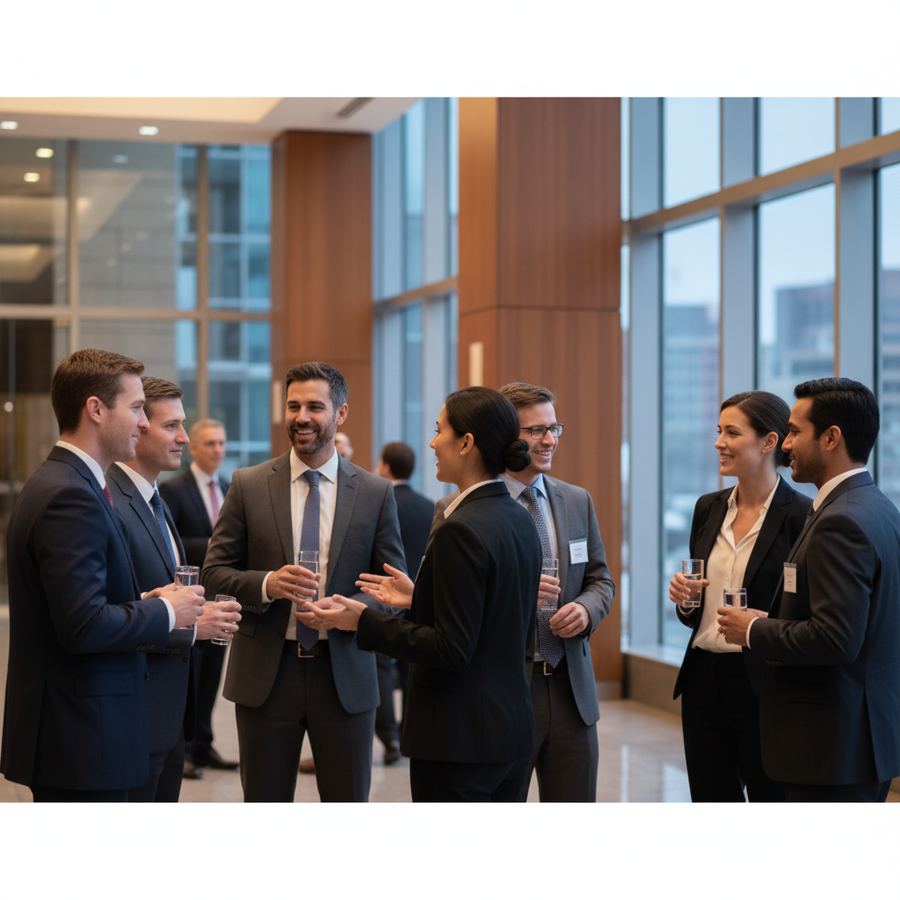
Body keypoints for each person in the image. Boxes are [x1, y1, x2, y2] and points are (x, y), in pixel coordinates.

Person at [300, 387, 541, 802]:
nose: (431, 443)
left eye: (439, 431)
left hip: (459, 739)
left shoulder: (460, 529)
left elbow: (451, 648)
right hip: (511, 730)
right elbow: (493, 616)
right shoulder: (519, 518)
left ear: (466, 443)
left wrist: (361, 620)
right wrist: (422, 597)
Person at [0, 349, 204, 802]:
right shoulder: (70, 495)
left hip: (80, 733)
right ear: (95, 409)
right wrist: (165, 611)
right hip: (81, 737)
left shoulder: (70, 482)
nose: (144, 423)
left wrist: (145, 602)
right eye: (135, 408)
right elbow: (84, 625)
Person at [202, 361, 405, 802]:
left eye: (315, 406)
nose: (302, 417)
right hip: (266, 679)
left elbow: (390, 590)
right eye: (293, 406)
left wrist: (353, 611)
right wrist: (269, 583)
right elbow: (214, 573)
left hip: (345, 675)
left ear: (341, 414)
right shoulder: (248, 484)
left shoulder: (374, 493)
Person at [718, 378, 900, 802]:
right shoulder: (876, 506)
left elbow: (836, 639)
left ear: (832, 437)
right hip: (857, 741)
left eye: (796, 432)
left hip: (830, 749)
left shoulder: (842, 521)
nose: (786, 446)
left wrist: (752, 630)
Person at [669, 391, 810, 802]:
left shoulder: (802, 515)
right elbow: (695, 609)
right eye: (718, 431)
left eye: (732, 432)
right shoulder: (707, 508)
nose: (719, 442)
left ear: (769, 442)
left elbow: (802, 612)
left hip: (764, 684)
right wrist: (685, 599)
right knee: (711, 799)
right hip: (702, 681)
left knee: (771, 801)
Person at [107, 377, 241, 801]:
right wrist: (189, 627)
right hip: (133, 714)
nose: (184, 437)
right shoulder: (110, 501)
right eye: (172, 426)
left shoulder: (154, 500)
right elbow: (109, 611)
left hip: (165, 718)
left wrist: (197, 620)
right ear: (139, 425)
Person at [496, 381, 615, 802]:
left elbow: (602, 580)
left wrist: (585, 609)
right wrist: (518, 598)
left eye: (554, 428)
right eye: (535, 431)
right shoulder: (474, 507)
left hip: (571, 690)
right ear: (507, 436)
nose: (548, 440)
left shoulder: (576, 500)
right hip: (507, 688)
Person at [160, 417, 237, 779]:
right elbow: (170, 542)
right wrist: (212, 548)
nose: (218, 450)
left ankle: (204, 745)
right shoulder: (174, 489)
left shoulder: (228, 485)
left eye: (222, 443)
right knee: (191, 677)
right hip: (188, 599)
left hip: (220, 598)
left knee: (211, 678)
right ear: (194, 447)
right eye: (210, 443)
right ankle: (187, 748)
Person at [374, 441, 435, 763]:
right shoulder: (430, 507)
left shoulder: (377, 502)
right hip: (419, 599)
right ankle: (411, 733)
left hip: (385, 596)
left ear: (385, 466)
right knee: (413, 667)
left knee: (382, 668)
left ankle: (389, 738)